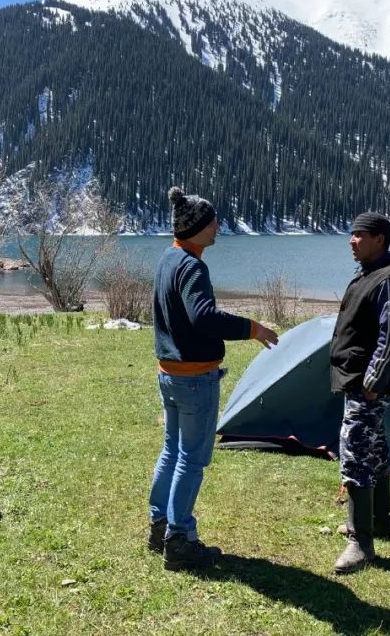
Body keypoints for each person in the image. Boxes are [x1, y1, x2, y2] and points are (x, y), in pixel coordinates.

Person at [148, 186, 279, 571]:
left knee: (172, 450)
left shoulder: (168, 259)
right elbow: (203, 317)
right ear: (199, 227)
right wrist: (252, 328)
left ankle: (159, 525)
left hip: (169, 374)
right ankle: (179, 539)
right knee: (191, 457)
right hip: (193, 378)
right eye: (213, 221)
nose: (218, 226)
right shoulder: (192, 266)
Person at [329, 212, 390, 574]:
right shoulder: (369, 274)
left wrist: (372, 381)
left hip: (368, 386)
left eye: (359, 235)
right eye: (351, 234)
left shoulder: (389, 280)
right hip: (359, 382)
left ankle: (360, 542)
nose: (351, 240)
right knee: (374, 449)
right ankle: (381, 521)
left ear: (380, 239)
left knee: (356, 452)